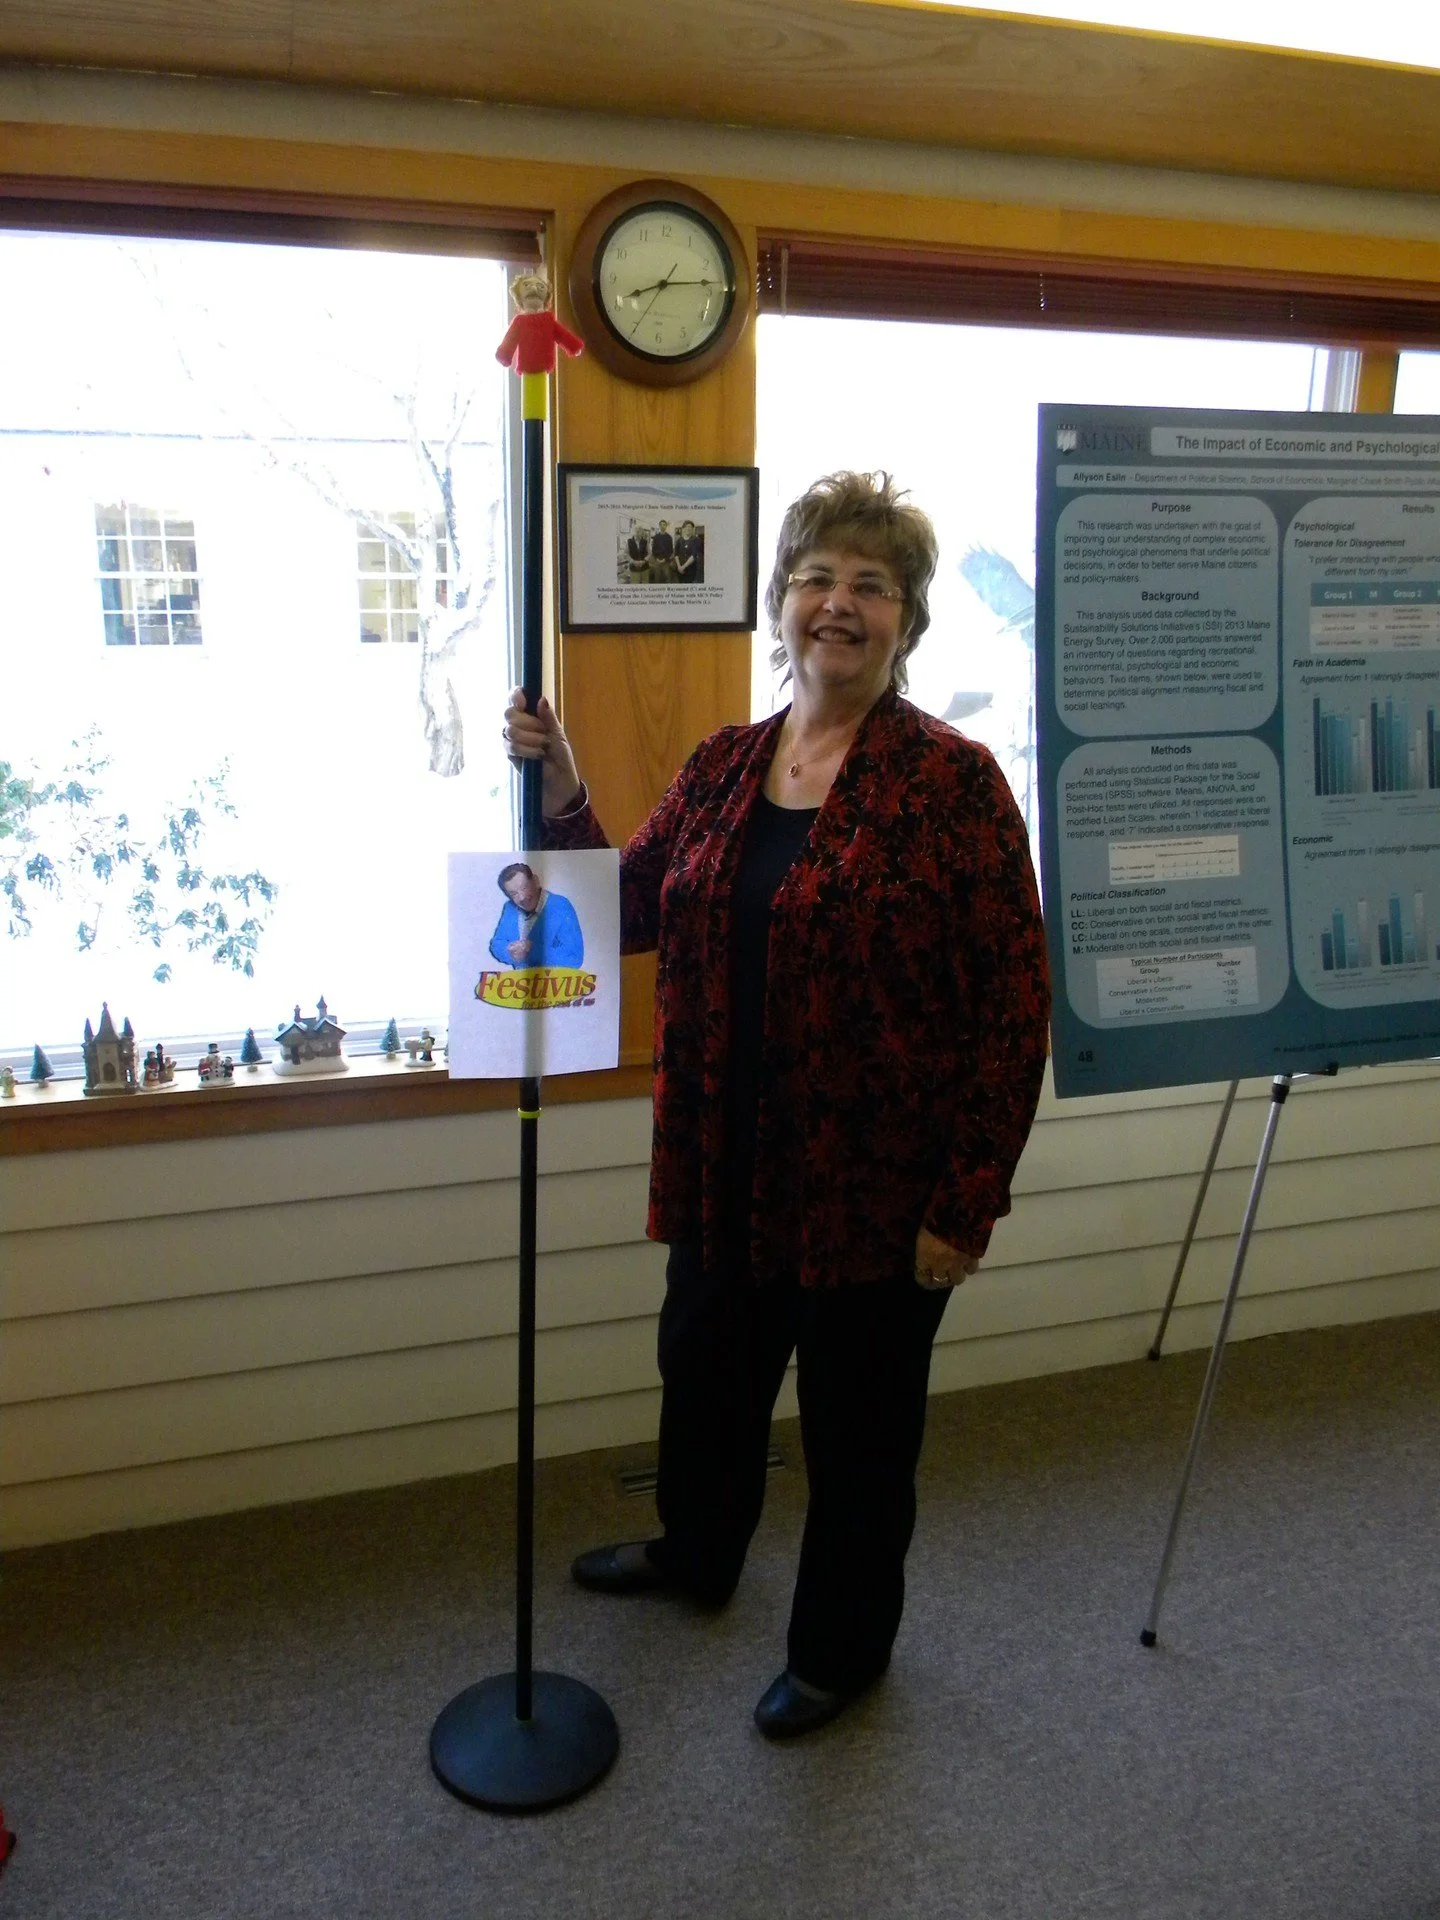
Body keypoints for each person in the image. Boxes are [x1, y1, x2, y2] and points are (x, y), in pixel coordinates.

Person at [502, 471, 1049, 1741]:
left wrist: (966, 1203)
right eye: (816, 579)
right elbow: (628, 906)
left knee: (858, 1443)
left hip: (875, 1196)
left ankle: (842, 1652)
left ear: (908, 622)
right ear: (780, 603)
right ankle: (697, 1554)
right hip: (720, 1167)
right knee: (702, 1379)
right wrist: (567, 785)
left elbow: (1014, 1011)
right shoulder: (726, 764)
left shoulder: (954, 786)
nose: (838, 605)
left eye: (870, 585)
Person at [488, 861, 584, 969]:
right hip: (520, 982)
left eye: (524, 887)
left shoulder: (560, 905)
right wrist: (510, 952)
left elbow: (574, 957)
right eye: (514, 893)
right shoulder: (510, 907)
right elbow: (497, 944)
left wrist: (532, 950)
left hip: (555, 983)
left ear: (535, 881)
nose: (522, 897)